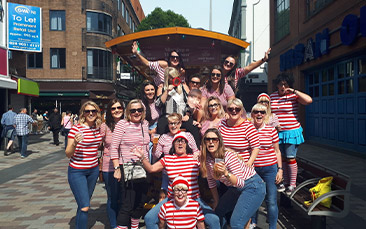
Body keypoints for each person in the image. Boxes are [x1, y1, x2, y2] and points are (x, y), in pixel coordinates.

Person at [134, 131, 220, 229]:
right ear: (173, 144)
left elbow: (207, 172)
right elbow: (151, 169)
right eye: (177, 141)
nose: (180, 143)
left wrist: (203, 157)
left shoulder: (194, 158)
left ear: (186, 145)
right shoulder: (167, 159)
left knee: (214, 220)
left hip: (193, 198)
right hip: (172, 198)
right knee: (149, 218)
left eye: (183, 141)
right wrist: (142, 157)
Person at [200, 128, 266, 228]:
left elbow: (240, 183)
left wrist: (226, 173)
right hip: (235, 188)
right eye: (207, 139)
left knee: (236, 223)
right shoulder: (208, 159)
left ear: (219, 141)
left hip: (252, 186)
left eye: (214, 139)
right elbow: (211, 181)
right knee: (218, 211)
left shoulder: (228, 156)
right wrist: (216, 201)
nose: (210, 142)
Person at [270, 73, 313, 195]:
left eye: (285, 84)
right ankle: (285, 182)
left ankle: (293, 184)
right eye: (281, 84)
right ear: (277, 85)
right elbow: (266, 111)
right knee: (281, 158)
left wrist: (294, 91)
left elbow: (309, 100)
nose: (283, 86)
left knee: (290, 157)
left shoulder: (293, 96)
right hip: (277, 133)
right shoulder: (272, 96)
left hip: (291, 131)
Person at [110, 99, 150, 229]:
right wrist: (117, 168)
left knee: (141, 201)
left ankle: (134, 226)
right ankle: (121, 226)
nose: (137, 113)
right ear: (128, 112)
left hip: (144, 166)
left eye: (139, 110)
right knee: (127, 203)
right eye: (133, 110)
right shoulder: (122, 124)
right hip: (127, 167)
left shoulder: (145, 124)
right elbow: (114, 147)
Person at [65, 101, 103, 229]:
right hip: (77, 171)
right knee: (85, 206)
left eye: (93, 111)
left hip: (93, 170)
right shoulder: (76, 128)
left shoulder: (98, 128)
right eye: (88, 111)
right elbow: (68, 153)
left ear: (97, 113)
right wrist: (75, 143)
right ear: (83, 113)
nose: (91, 113)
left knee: (83, 203)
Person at [249, 103, 283, 229]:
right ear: (252, 114)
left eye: (262, 112)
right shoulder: (248, 129)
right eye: (256, 111)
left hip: (270, 168)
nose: (259, 114)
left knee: (271, 200)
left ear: (265, 115)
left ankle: (272, 227)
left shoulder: (271, 130)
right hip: (253, 169)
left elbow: (277, 151)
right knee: (254, 199)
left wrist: (280, 170)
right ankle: (253, 223)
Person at [154, 113, 200, 197]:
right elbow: (157, 155)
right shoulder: (164, 137)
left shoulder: (187, 136)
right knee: (162, 196)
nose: (173, 126)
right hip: (169, 172)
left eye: (176, 123)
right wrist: (154, 145)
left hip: (186, 171)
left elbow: (196, 152)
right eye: (171, 123)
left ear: (180, 124)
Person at [100, 99, 124, 229]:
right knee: (113, 197)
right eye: (113, 108)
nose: (116, 110)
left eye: (119, 108)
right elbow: (97, 143)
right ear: (109, 111)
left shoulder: (127, 124)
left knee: (124, 197)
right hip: (109, 166)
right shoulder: (105, 126)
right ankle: (114, 225)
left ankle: (123, 223)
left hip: (125, 165)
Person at [218, 98, 260, 165]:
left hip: (242, 167)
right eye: (230, 109)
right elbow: (218, 147)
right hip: (224, 166)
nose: (234, 111)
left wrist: (249, 163)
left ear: (241, 111)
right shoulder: (222, 124)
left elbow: (256, 148)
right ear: (227, 111)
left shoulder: (248, 126)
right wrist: (218, 163)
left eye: (237, 109)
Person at [140, 80, 161, 160]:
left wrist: (156, 129)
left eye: (152, 89)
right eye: (147, 90)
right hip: (145, 129)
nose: (150, 92)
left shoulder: (158, 102)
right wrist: (149, 131)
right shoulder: (141, 104)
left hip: (157, 129)